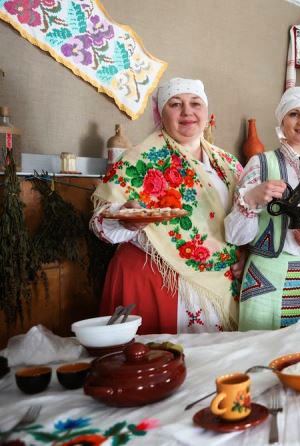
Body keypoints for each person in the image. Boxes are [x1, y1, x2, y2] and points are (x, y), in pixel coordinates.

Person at [91, 78, 243, 334]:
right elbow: (99, 225)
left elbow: (246, 217)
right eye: (175, 104)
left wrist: (246, 252)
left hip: (220, 283)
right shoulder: (138, 159)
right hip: (159, 281)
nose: (187, 111)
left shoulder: (228, 163)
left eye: (195, 103)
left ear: (206, 113)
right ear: (161, 114)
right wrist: (126, 219)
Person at [225, 87, 300, 330]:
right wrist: (252, 199)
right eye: (294, 114)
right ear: (282, 120)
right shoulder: (261, 164)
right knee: (265, 357)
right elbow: (236, 236)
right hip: (268, 276)